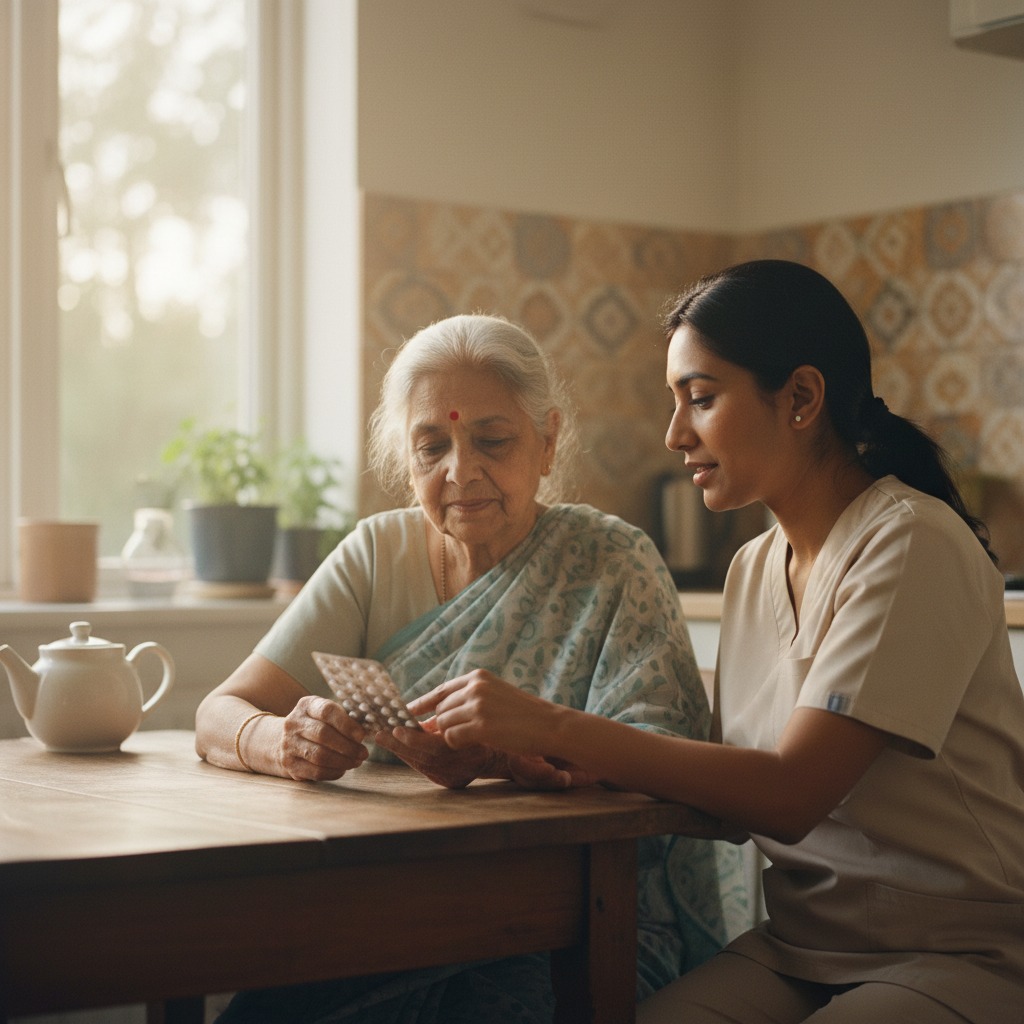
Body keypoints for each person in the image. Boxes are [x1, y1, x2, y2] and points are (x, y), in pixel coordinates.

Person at [406, 262, 1024, 1024]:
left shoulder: (912, 543)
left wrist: (553, 723)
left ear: (801, 398)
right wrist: (525, 760)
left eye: (699, 398)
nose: (673, 434)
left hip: (959, 955)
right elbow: (728, 802)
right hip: (799, 949)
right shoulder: (754, 567)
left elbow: (790, 795)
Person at [195, 313, 730, 1023]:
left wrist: (527, 758)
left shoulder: (611, 563)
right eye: (431, 446)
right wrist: (281, 742)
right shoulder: (375, 555)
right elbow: (218, 713)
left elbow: (674, 774)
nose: (460, 471)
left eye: (492, 440)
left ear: (547, 441)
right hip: (392, 912)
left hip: (578, 923)